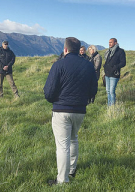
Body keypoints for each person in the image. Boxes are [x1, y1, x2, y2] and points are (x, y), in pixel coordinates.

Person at [44, 37, 98, 186]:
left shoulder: (58, 65)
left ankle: (62, 181)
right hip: (80, 109)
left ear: (65, 49)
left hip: (61, 109)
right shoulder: (88, 65)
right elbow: (93, 89)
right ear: (79, 49)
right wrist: (85, 99)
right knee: (73, 138)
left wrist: (55, 100)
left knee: (62, 145)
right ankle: (71, 170)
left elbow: (48, 92)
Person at [103, 38, 126, 106]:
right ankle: (109, 105)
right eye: (109, 42)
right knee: (108, 91)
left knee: (112, 91)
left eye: (111, 42)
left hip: (114, 74)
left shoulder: (120, 51)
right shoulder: (108, 51)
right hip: (107, 74)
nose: (109, 43)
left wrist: (115, 67)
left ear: (115, 43)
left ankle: (112, 106)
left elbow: (123, 63)